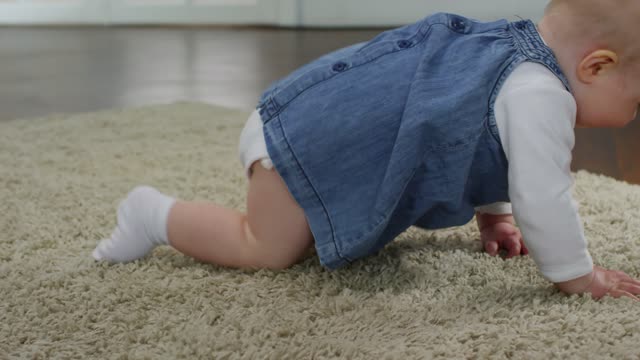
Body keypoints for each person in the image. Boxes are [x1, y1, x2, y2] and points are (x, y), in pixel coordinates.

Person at [92, 0, 640, 300]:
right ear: (597, 66)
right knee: (266, 248)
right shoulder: (544, 96)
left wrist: (493, 218)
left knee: (304, 240)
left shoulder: (510, 50)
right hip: (304, 143)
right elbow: (542, 193)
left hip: (311, 119)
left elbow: (485, 140)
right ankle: (153, 214)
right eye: (636, 97)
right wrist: (576, 274)